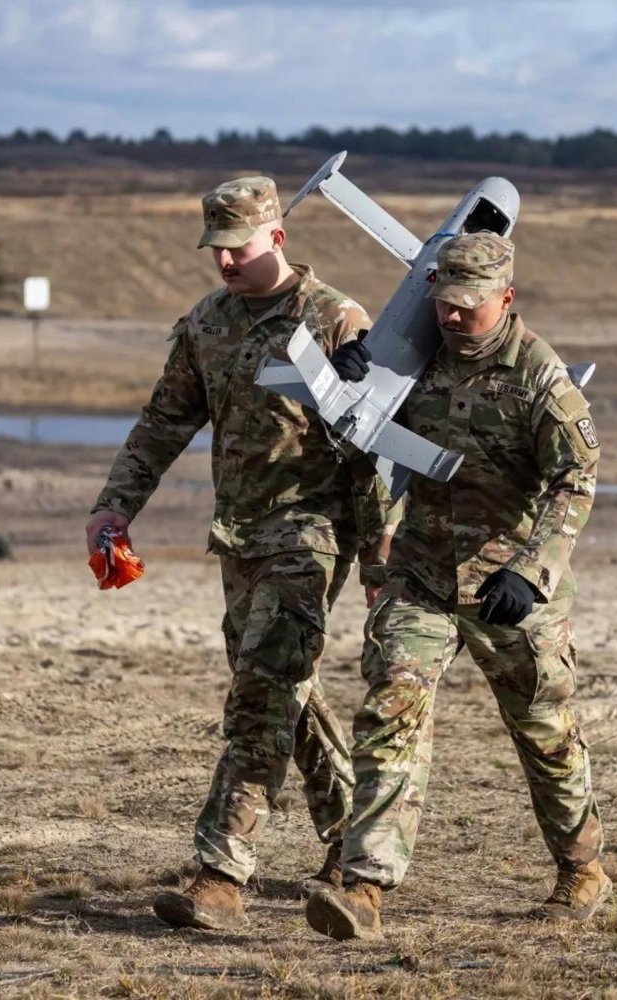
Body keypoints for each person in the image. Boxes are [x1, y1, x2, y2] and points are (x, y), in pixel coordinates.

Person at [86, 176, 389, 931]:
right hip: (240, 536)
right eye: (214, 249)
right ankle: (352, 834)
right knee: (287, 690)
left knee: (259, 696)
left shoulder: (335, 319)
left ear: (277, 239)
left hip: (311, 535)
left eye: (238, 248)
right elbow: (163, 423)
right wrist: (115, 505)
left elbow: (376, 447)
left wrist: (382, 557)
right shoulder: (208, 323)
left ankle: (219, 873)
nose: (224, 262)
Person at [303, 232, 608, 941]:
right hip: (424, 576)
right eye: (444, 303)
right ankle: (365, 884)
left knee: (546, 733)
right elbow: (353, 446)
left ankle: (581, 865)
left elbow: (575, 480)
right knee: (390, 712)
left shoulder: (539, 376)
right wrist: (352, 380)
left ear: (508, 298)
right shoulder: (412, 359)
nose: (454, 318)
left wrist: (532, 572)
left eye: (471, 306)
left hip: (512, 589)